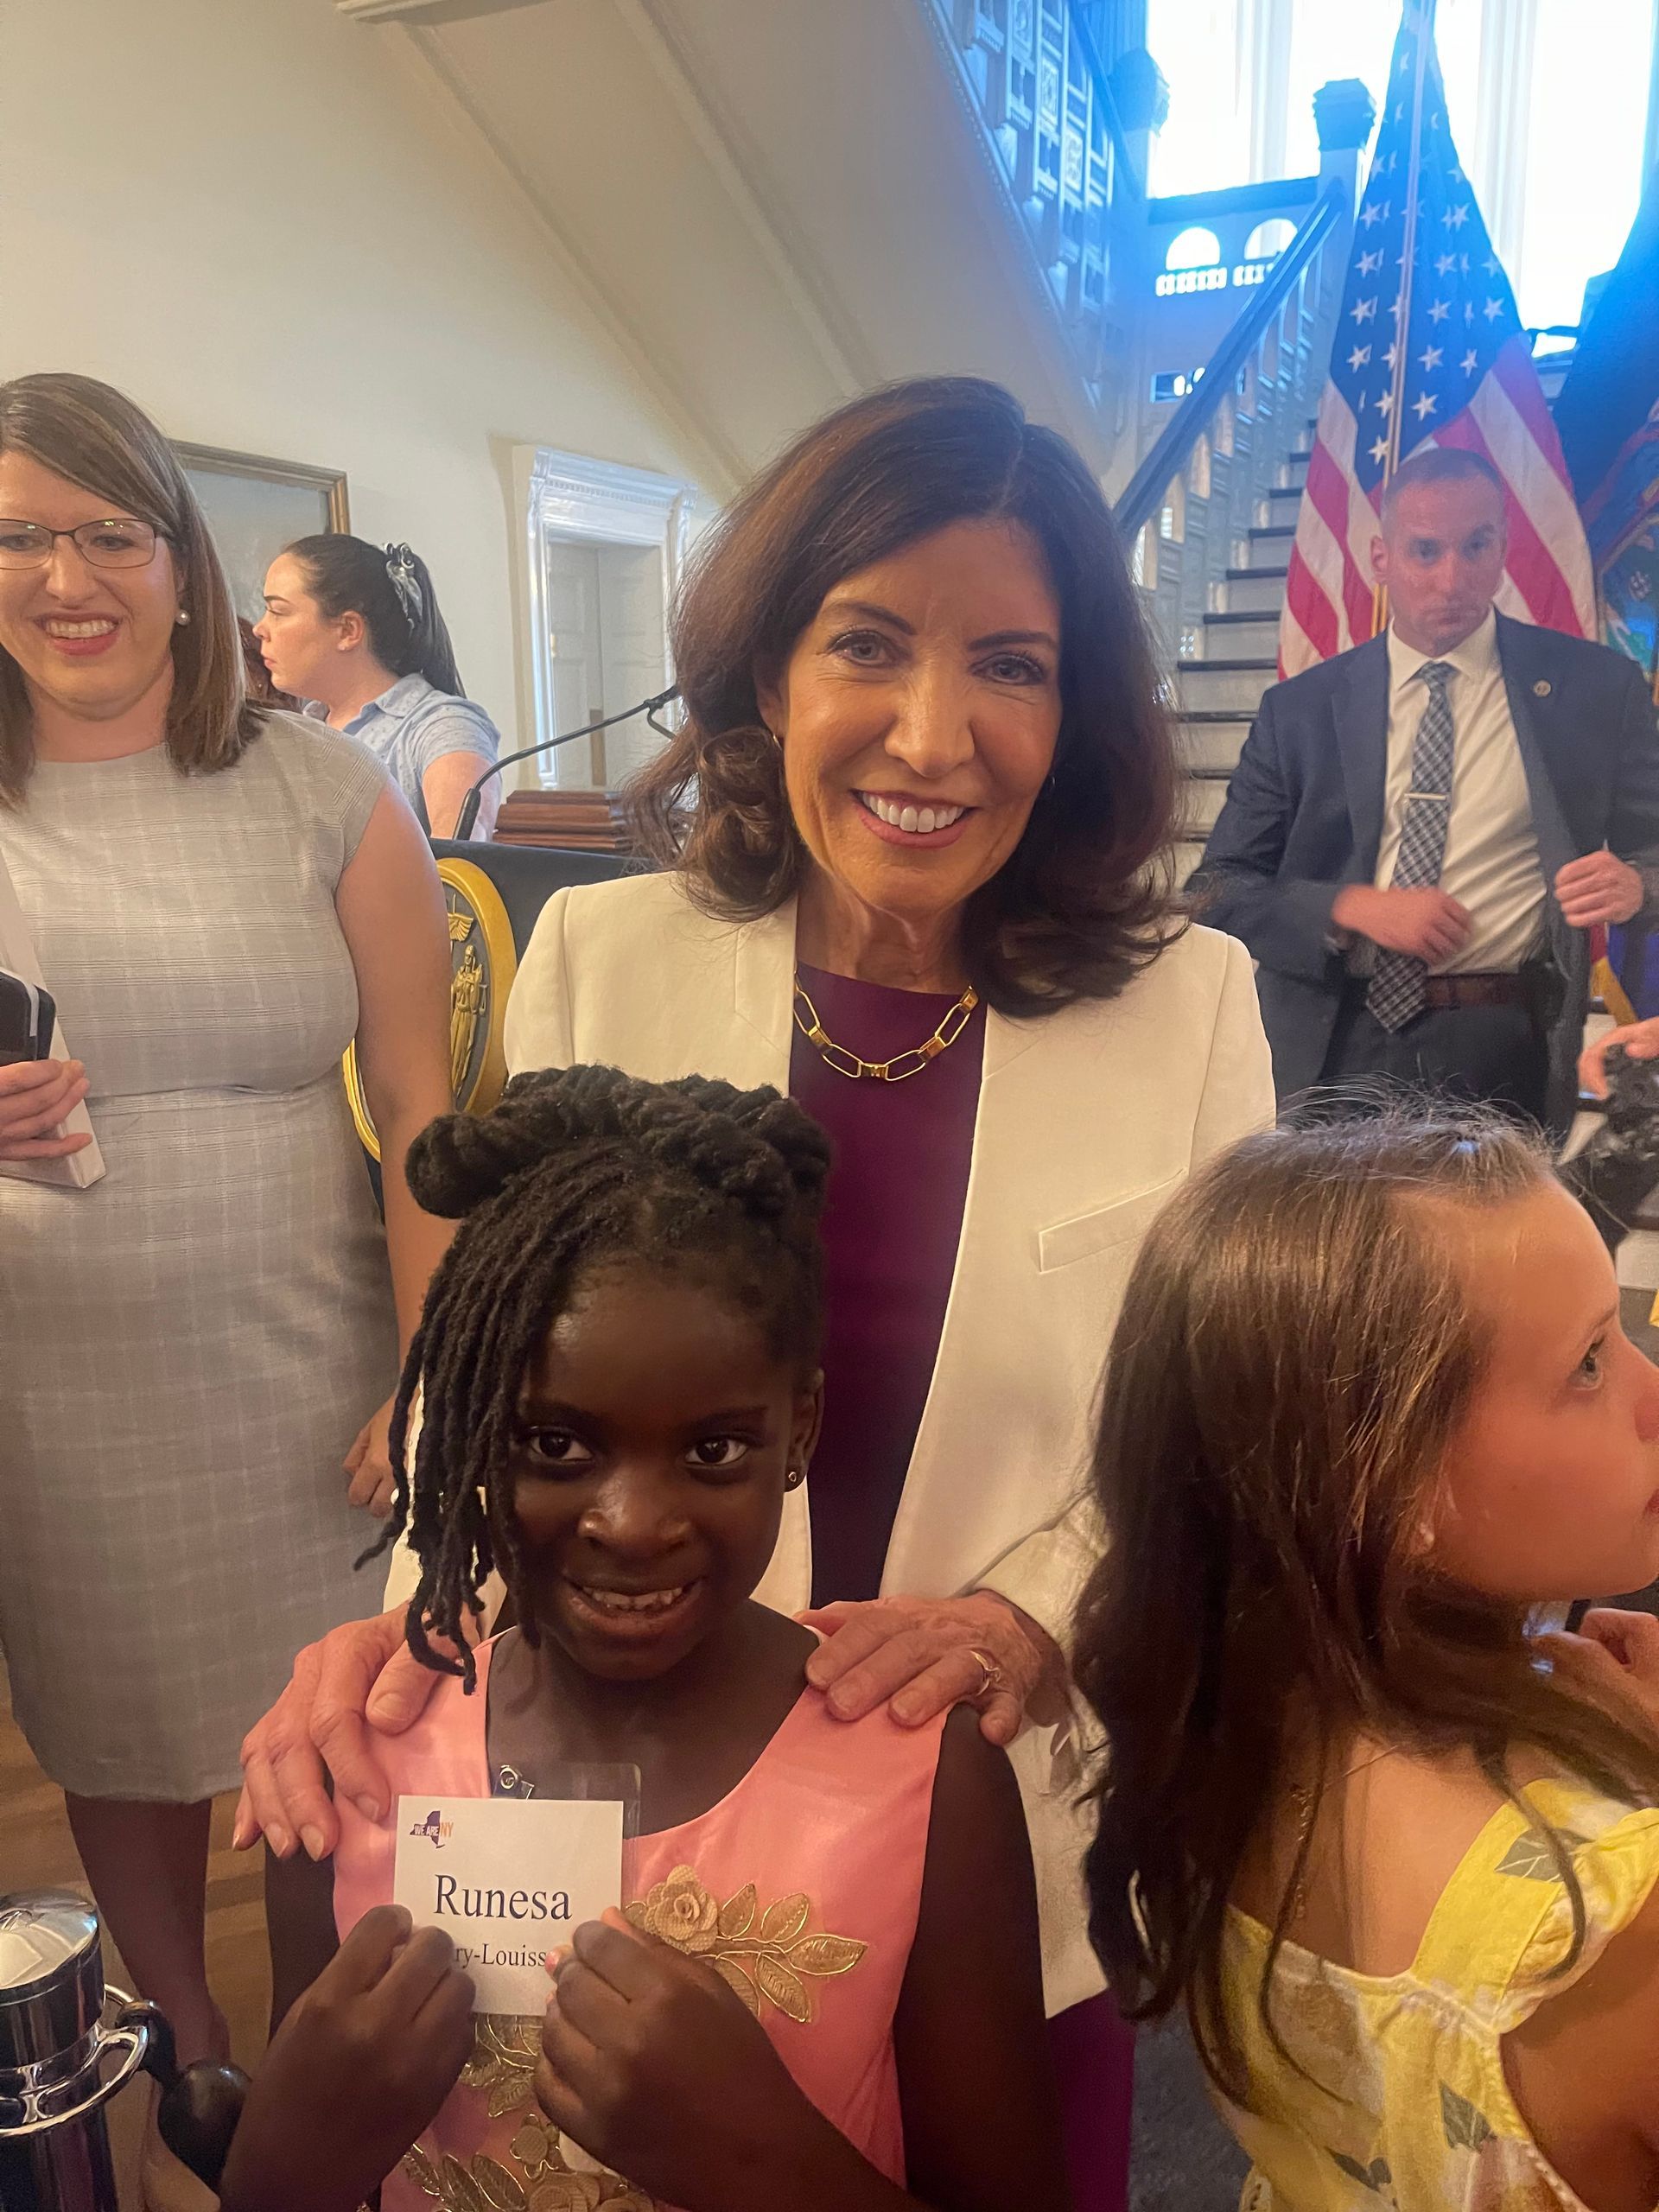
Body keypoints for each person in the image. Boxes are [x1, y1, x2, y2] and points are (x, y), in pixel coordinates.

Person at [237, 375, 1277, 2210]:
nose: (936, 733)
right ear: (766, 672)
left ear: (1078, 704)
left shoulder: (1184, 1004)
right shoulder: (610, 955)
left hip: (998, 1811)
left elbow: (1222, 1433)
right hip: (619, 1821)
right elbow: (506, 1372)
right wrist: (415, 1631)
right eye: (866, 641)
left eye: (1014, 665)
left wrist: (1036, 1614)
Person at [265, 1065, 1067, 2212]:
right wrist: (284, 2157)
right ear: (472, 1430)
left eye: (711, 1453)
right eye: (553, 1444)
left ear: (800, 1431)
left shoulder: (927, 1784)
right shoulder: (351, 1769)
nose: (633, 1525)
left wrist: (765, 2162)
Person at [0, 372, 454, 2189]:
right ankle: (182, 2047)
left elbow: (425, 1103)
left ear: (182, 566)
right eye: (19, 534)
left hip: (305, 1362)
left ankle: (327, 2057)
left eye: (111, 531)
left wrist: (433, 1372)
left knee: (321, 1720)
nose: (65, 575)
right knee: (114, 1726)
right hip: (52, 1373)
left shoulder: (321, 787)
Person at [1077, 1104, 1659, 2209]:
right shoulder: (1615, 1928)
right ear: (1387, 1486)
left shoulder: (1237, 1721)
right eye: (1588, 1362)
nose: (1654, 1391)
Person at [1192, 446, 1659, 1135]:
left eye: (1476, 546)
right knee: (1333, 1244)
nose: (1453, 578)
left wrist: (1639, 886)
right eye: (1425, 551)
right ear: (1382, 558)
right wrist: (1352, 906)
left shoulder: (1597, 690)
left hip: (1502, 1042)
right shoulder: (1300, 711)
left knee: (1483, 1246)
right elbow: (1215, 890)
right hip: (1328, 1040)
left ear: (1504, 543)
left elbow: (1652, 851)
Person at [254, 533, 502, 840]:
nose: (259, 628)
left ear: (348, 631)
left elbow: (459, 865)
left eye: (278, 612)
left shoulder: (442, 726)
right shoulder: (303, 726)